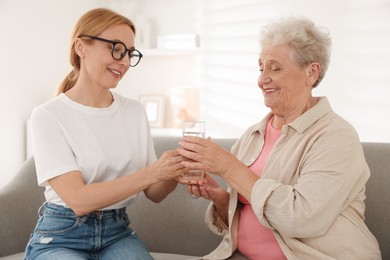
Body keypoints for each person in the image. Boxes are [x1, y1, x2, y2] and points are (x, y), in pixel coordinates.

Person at [178, 16, 381, 259]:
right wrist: (222, 199)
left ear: (311, 72)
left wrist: (227, 166)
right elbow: (249, 208)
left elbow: (301, 218)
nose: (262, 79)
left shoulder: (335, 136)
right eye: (261, 67)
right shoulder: (252, 135)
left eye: (275, 68)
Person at [24, 8, 187, 260]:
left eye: (129, 53)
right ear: (81, 47)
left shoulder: (133, 111)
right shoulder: (48, 115)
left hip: (117, 233)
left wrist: (177, 168)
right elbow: (78, 200)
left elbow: (154, 193)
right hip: (61, 235)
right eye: (116, 48)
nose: (123, 61)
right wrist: (153, 172)